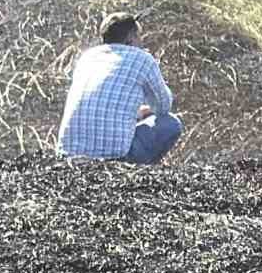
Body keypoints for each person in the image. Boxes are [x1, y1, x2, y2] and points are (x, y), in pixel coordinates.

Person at [57, 12, 184, 164]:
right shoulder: (142, 59)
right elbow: (163, 107)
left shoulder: (87, 57)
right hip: (114, 157)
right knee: (171, 123)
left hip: (67, 154)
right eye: (139, 36)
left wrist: (136, 113)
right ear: (131, 37)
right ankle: (138, 175)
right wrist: (148, 110)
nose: (141, 41)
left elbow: (101, 103)